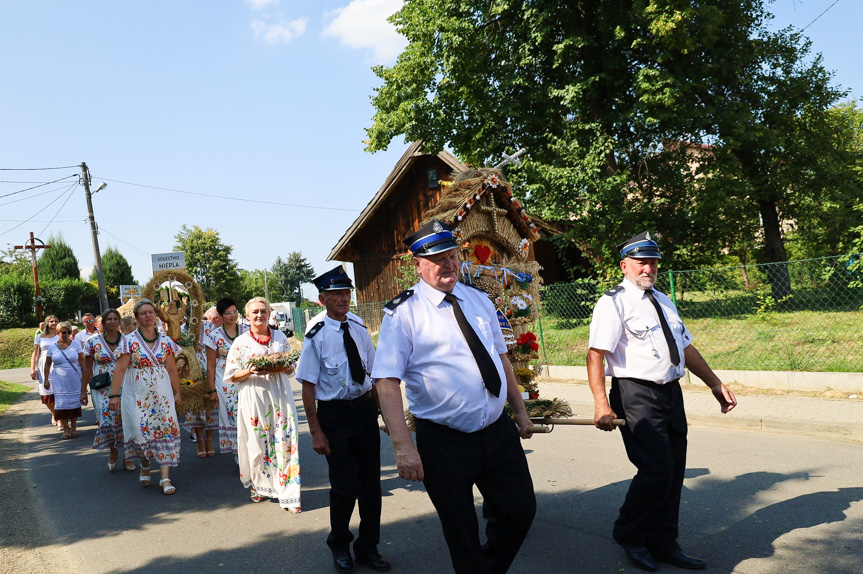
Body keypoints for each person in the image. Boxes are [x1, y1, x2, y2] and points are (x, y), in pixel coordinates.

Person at [373, 220, 536, 574]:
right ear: (417, 264)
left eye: (451, 255)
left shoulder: (478, 299)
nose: (447, 264)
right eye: (436, 258)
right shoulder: (404, 313)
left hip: (496, 430)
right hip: (444, 441)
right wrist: (403, 448)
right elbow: (386, 383)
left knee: (520, 510)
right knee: (460, 530)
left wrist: (519, 411)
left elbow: (501, 357)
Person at [587, 231, 738, 572]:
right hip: (635, 393)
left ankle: (664, 541)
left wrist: (714, 383)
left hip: (671, 392)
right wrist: (601, 404)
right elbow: (596, 355)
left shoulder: (664, 300)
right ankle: (631, 534)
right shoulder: (613, 302)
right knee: (656, 469)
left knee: (674, 470)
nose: (649, 267)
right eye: (642, 261)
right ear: (625, 265)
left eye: (653, 261)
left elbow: (685, 348)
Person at [297, 266, 391, 573]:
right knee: (344, 487)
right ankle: (339, 544)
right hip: (334, 417)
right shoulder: (316, 336)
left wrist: (388, 417)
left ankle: (368, 547)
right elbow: (308, 388)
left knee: (370, 487)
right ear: (322, 299)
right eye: (336, 294)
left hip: (364, 412)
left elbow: (375, 376)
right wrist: (316, 432)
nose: (343, 299)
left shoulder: (358, 327)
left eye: (347, 292)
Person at [224, 297, 301, 512]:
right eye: (255, 312)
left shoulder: (280, 337)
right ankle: (259, 485)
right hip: (253, 395)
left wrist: (285, 367)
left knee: (285, 439)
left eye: (263, 311)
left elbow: (291, 367)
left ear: (269, 313)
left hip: (279, 394)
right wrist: (250, 370)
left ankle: (290, 495)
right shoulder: (241, 342)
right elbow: (231, 374)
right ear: (247, 316)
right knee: (257, 442)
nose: (259, 315)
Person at [108, 299, 183, 495]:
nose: (148, 315)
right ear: (137, 317)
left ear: (156, 315)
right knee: (141, 430)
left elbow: (172, 369)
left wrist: (177, 392)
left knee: (165, 428)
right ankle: (145, 464)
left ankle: (165, 477)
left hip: (162, 391)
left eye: (151, 312)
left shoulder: (166, 341)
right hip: (136, 391)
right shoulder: (129, 341)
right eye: (143, 313)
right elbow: (121, 368)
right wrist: (114, 395)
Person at [83, 309, 134, 471]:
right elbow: (87, 368)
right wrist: (83, 390)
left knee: (126, 419)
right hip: (102, 387)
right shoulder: (93, 342)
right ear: (103, 322)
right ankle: (113, 451)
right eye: (109, 319)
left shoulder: (128, 340)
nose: (112, 321)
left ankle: (128, 454)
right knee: (107, 421)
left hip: (125, 384)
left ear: (119, 322)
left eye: (115, 319)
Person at [204, 297, 247, 459]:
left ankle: (251, 448)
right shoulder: (214, 336)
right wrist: (211, 390)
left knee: (249, 412)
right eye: (228, 313)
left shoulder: (247, 331)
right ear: (221, 316)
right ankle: (238, 452)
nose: (233, 315)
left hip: (247, 377)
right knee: (232, 415)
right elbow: (210, 365)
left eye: (235, 311)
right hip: (225, 382)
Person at [183, 306, 220, 457]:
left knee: (211, 405)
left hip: (209, 366)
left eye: (197, 315)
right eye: (190, 315)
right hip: (190, 370)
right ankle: (199, 440)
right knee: (195, 406)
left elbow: (218, 344)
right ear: (185, 316)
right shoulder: (181, 330)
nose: (194, 318)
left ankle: (209, 440)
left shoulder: (210, 327)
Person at [43, 322, 85, 439]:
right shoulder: (53, 347)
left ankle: (74, 427)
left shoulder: (75, 344)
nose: (66, 334)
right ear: (58, 333)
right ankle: (66, 428)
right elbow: (47, 364)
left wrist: (86, 375)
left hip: (73, 378)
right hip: (59, 379)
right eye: (63, 332)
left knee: (74, 402)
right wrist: (46, 379)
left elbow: (82, 360)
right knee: (61, 403)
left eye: (68, 332)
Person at [31, 315, 60, 428]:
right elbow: (35, 353)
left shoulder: (61, 335)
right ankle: (54, 413)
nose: (53, 323)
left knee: (58, 392)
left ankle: (59, 416)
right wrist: (32, 368)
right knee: (46, 394)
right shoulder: (40, 336)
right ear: (47, 323)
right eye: (51, 321)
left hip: (58, 364)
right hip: (44, 364)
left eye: (55, 321)